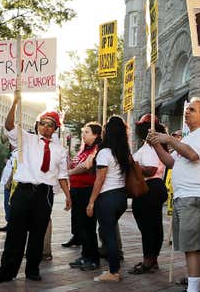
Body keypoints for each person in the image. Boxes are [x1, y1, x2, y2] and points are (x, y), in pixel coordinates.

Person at [0, 93, 71, 285]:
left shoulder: (59, 150)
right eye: (43, 123)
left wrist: (68, 196)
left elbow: (62, 175)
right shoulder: (26, 139)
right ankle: (6, 272)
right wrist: (15, 103)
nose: (46, 127)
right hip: (23, 191)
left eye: (51, 124)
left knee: (38, 234)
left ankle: (33, 269)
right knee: (15, 233)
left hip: (45, 194)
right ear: (37, 124)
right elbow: (9, 125)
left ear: (55, 129)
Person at [147, 98, 200, 292]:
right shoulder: (189, 136)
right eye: (186, 109)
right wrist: (156, 144)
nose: (187, 112)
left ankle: (193, 287)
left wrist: (169, 139)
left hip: (195, 195)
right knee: (193, 242)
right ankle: (196, 279)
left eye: (192, 110)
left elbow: (193, 155)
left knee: (192, 244)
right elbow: (172, 163)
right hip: (185, 196)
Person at [88, 116, 130, 282]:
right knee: (109, 232)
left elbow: (100, 179)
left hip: (107, 198)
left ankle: (113, 272)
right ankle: (114, 269)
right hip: (121, 197)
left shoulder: (105, 152)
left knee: (109, 235)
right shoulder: (123, 153)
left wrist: (91, 201)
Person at [129, 114, 168, 275]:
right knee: (152, 225)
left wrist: (133, 164)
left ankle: (148, 260)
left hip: (150, 186)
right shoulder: (148, 146)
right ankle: (152, 259)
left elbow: (151, 169)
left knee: (148, 226)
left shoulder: (151, 147)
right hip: (150, 187)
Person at [67, 122, 102, 271]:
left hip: (87, 191)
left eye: (87, 132)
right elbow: (74, 164)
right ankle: (84, 256)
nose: (83, 134)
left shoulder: (97, 149)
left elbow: (86, 166)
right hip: (76, 190)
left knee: (88, 227)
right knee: (81, 226)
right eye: (83, 132)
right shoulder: (84, 150)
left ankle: (93, 259)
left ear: (96, 135)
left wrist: (69, 172)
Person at [0, 153, 14, 232]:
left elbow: (14, 169)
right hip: (7, 185)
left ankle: (11, 225)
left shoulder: (15, 156)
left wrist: (8, 182)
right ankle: (9, 224)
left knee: (8, 205)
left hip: (10, 185)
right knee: (7, 204)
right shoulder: (11, 157)